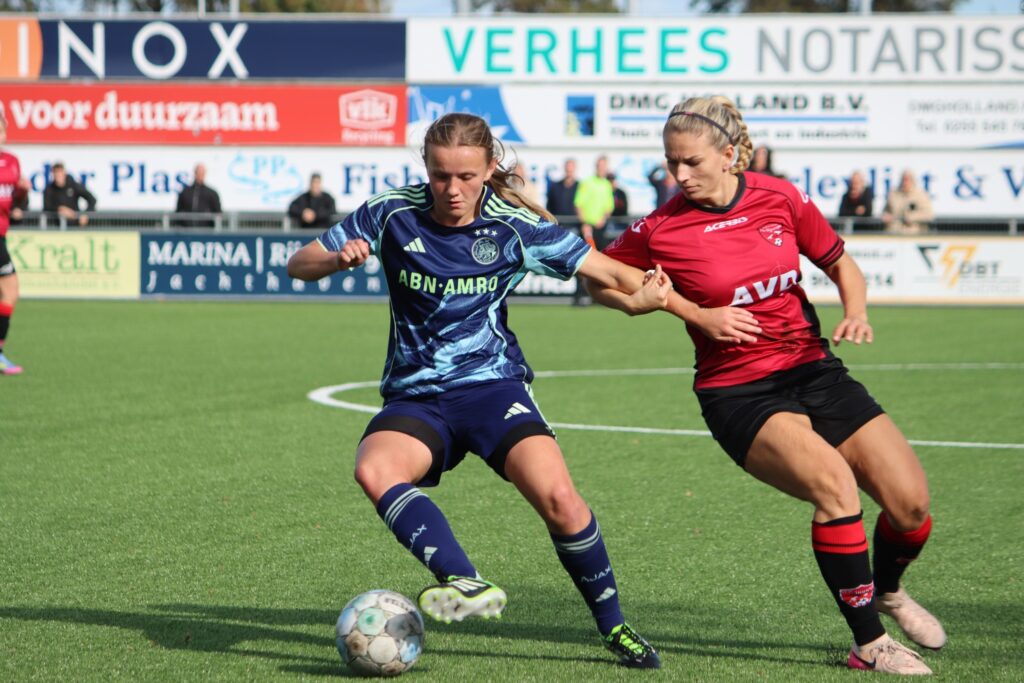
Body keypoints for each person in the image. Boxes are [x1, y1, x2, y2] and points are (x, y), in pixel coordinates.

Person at [287, 113, 665, 669]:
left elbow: (610, 273)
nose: (452, 189)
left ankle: (615, 628)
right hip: (417, 396)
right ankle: (465, 580)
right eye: (441, 175)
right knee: (374, 468)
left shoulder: (513, 225)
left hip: (492, 388)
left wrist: (670, 305)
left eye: (466, 176)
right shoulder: (390, 212)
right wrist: (335, 258)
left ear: (489, 169)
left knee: (561, 501)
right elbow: (299, 264)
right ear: (426, 168)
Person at [591, 96, 943, 675]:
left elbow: (840, 263)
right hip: (738, 390)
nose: (679, 174)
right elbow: (601, 278)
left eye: (691, 162)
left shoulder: (779, 196)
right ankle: (869, 644)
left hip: (814, 368)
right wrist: (661, 308)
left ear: (729, 155)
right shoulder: (659, 227)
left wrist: (856, 311)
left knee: (911, 505)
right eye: (671, 162)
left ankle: (887, 592)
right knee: (836, 490)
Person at [0, 113, 30, 375]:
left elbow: (17, 203)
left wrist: (22, 193)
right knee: (10, 290)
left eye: (2, 129)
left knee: (10, 292)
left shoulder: (12, 162)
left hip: (1, 235)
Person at [42, 162, 96, 227]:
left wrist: (85, 214)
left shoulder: (73, 185)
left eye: (60, 172)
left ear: (64, 173)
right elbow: (46, 207)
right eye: (56, 173)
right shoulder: (49, 189)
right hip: (57, 226)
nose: (58, 175)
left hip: (76, 225)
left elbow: (92, 199)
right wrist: (59, 209)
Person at [882, 170, 934, 235]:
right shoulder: (893, 193)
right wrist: (886, 216)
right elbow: (885, 211)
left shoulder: (921, 195)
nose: (904, 182)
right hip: (894, 233)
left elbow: (929, 215)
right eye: (903, 180)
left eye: (907, 180)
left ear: (912, 181)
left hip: (914, 234)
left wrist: (912, 217)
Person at [175, 164, 222, 228]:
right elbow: (178, 212)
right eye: (198, 173)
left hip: (206, 230)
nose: (200, 175)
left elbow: (218, 213)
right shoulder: (185, 193)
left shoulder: (212, 193)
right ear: (195, 173)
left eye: (202, 173)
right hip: (187, 230)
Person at [545, 157, 578, 224]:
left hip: (576, 224)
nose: (569, 169)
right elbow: (549, 206)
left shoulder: (580, 187)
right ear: (564, 168)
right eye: (567, 167)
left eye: (571, 167)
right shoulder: (555, 186)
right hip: (558, 224)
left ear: (575, 168)